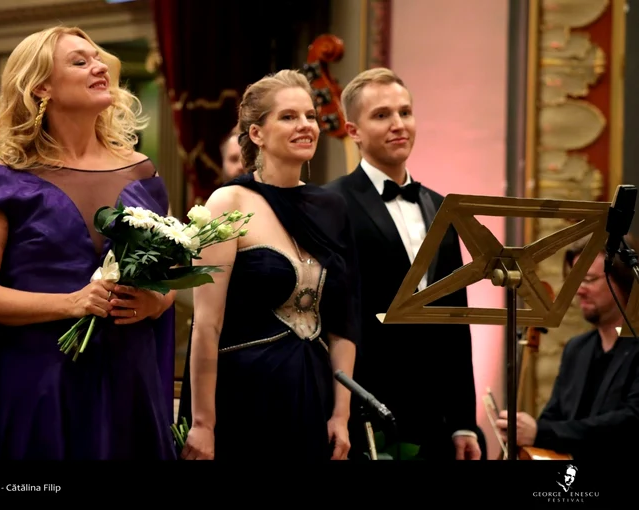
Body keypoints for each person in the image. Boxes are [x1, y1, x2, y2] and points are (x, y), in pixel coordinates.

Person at [0, 26, 177, 460]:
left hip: (129, 378)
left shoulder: (142, 171)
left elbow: (171, 274)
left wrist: (155, 302)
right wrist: (71, 303)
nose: (99, 66)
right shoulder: (5, 177)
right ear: (40, 86)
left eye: (98, 58)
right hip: (43, 381)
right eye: (80, 62)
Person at [178, 69, 360, 461]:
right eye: (289, 117)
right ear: (256, 133)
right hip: (245, 392)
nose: (306, 126)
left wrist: (340, 415)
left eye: (310, 116)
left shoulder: (333, 208)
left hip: (313, 392)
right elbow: (206, 325)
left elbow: (344, 321)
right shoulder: (228, 203)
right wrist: (203, 423)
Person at [324, 67, 480, 460]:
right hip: (366, 405)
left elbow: (455, 319)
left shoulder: (442, 205)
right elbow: (333, 316)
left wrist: (464, 420)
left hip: (436, 415)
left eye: (405, 112)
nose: (399, 125)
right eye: (381, 115)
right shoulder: (330, 204)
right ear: (353, 130)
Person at [496, 236, 639, 460]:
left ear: (623, 280)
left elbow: (630, 421)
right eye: (575, 280)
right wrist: (526, 429)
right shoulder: (577, 349)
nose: (578, 290)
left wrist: (540, 432)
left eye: (589, 279)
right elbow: (553, 417)